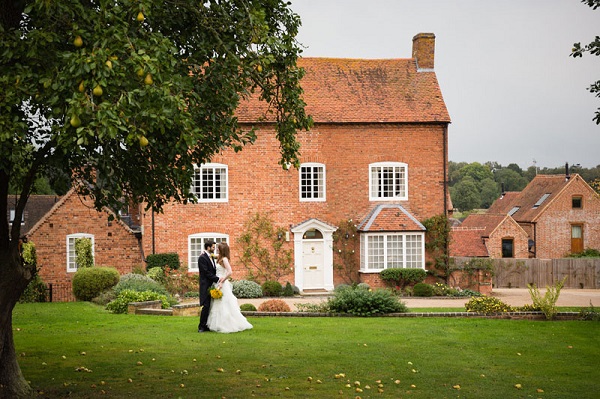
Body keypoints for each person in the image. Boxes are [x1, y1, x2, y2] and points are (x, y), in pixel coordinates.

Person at [206, 242, 253, 333]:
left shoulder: (224, 259)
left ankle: (226, 324)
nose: (217, 249)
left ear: (222, 250)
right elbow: (213, 255)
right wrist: (206, 254)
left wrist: (222, 281)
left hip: (221, 283)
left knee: (223, 304)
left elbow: (230, 272)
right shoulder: (219, 257)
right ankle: (217, 324)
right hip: (217, 282)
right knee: (217, 304)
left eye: (218, 248)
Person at [198, 240, 220, 332]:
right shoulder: (202, 258)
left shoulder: (211, 257)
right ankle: (201, 327)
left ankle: (206, 325)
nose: (214, 249)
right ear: (208, 247)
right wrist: (217, 279)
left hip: (212, 284)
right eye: (213, 247)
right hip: (205, 285)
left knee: (210, 306)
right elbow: (206, 272)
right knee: (206, 306)